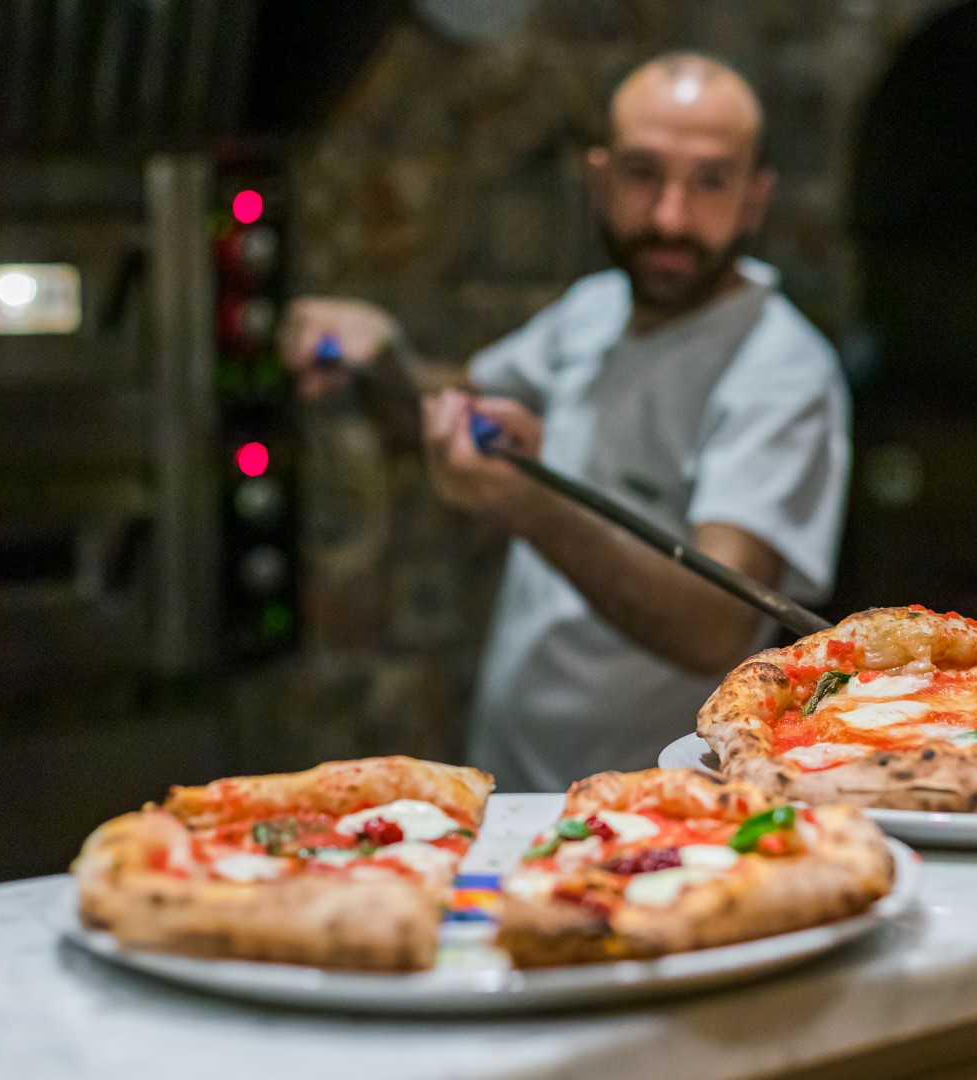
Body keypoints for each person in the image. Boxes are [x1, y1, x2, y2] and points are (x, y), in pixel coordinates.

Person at [279, 53, 850, 791]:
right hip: (516, 778)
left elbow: (720, 627)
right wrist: (380, 352)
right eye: (644, 174)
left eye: (709, 181)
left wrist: (527, 505)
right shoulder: (594, 308)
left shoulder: (783, 369)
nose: (670, 217)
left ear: (755, 197)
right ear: (599, 178)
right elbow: (451, 404)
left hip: (662, 807)